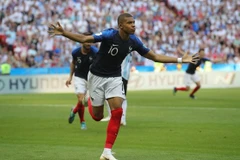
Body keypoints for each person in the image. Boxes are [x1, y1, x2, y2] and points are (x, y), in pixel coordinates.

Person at [48, 13, 199, 160]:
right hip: (96, 77)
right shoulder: (109, 35)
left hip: (114, 77)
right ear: (121, 25)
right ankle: (89, 100)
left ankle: (107, 152)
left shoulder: (134, 41)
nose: (133, 25)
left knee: (117, 111)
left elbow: (155, 57)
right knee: (97, 116)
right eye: (130, 23)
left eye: (134, 23)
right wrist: (64, 33)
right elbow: (85, 38)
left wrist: (180, 59)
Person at [65, 34, 98, 130]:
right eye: (86, 41)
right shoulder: (75, 52)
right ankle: (82, 122)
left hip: (91, 79)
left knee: (86, 103)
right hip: (79, 78)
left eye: (90, 41)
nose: (88, 43)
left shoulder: (95, 53)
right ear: (82, 41)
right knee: (81, 99)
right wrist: (70, 77)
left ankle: (74, 111)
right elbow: (73, 63)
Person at [101, 53, 133, 126]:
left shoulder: (124, 47)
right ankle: (118, 118)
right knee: (119, 96)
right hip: (125, 74)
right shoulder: (130, 47)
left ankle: (121, 119)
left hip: (119, 74)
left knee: (117, 97)